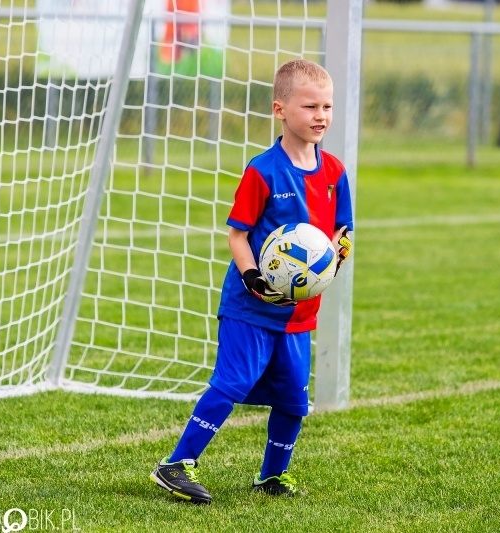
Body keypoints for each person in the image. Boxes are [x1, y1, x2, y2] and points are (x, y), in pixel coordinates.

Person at [150, 59, 354, 504]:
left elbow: (343, 232)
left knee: (294, 398)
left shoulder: (335, 172)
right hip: (252, 304)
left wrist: (333, 259)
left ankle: (273, 475)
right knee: (233, 381)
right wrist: (253, 277)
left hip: (300, 311)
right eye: (310, 106)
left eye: (327, 106)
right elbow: (237, 235)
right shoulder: (263, 170)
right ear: (280, 110)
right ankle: (176, 464)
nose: (321, 116)